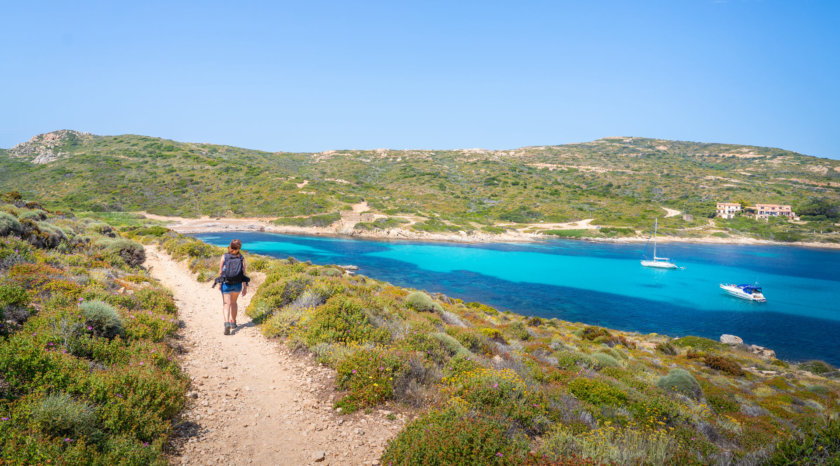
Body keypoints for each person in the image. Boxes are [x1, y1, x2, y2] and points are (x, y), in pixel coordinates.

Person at [218, 239, 249, 335]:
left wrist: (219, 284)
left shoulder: (225, 256)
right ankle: (233, 322)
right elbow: (243, 273)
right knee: (234, 303)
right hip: (237, 284)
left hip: (226, 283)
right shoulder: (241, 258)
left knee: (226, 304)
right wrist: (245, 287)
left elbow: (220, 272)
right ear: (239, 247)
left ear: (230, 246)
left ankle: (226, 322)